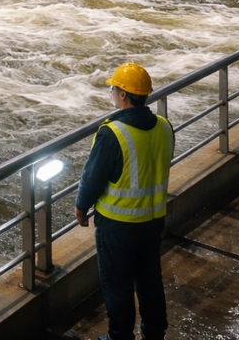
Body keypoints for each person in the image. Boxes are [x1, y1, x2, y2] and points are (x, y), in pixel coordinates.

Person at [74, 62, 174, 340]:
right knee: (150, 281)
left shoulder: (112, 133)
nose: (113, 93)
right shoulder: (165, 127)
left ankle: (120, 337)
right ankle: (155, 333)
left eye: (114, 89)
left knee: (118, 287)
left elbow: (93, 178)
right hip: (153, 222)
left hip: (118, 227)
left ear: (123, 95)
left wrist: (81, 207)